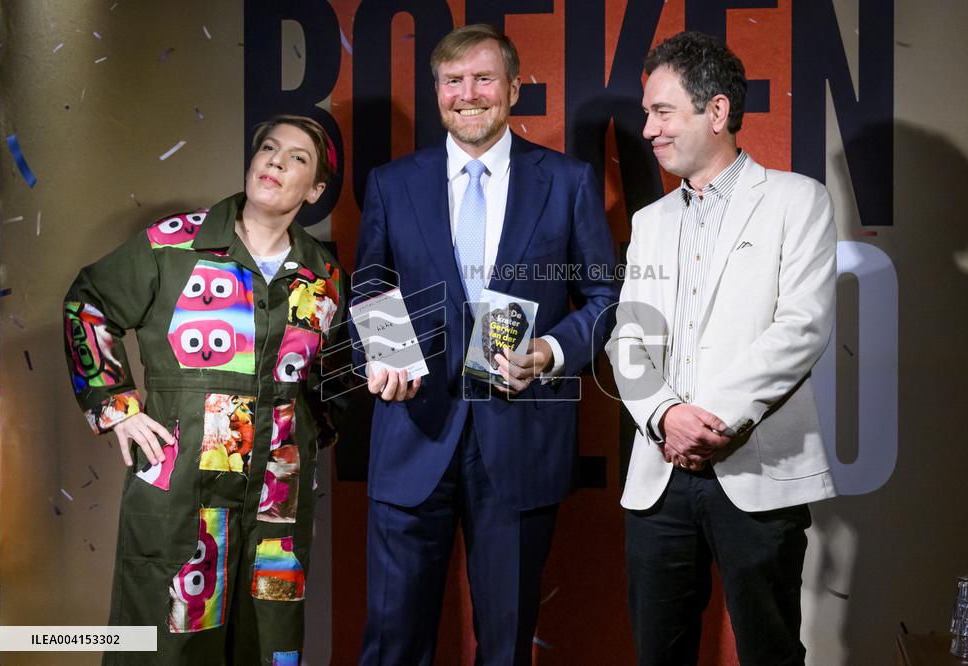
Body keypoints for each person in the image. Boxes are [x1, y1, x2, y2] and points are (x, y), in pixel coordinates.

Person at [351, 23, 618, 665]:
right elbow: (368, 288)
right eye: (452, 81)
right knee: (393, 643)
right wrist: (382, 358)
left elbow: (606, 300)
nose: (467, 94)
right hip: (412, 433)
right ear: (437, 91)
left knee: (506, 644)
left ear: (513, 88)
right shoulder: (392, 184)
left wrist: (551, 352)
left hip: (521, 443)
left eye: (483, 78)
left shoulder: (569, 182)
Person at [63, 114, 345, 665]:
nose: (275, 161)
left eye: (297, 157)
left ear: (314, 190)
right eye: (268, 148)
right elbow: (89, 302)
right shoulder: (174, 244)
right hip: (184, 489)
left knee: (268, 640)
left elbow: (324, 381)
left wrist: (309, 439)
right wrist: (116, 405)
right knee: (169, 645)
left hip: (275, 505)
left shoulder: (324, 275)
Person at [606, 31, 837, 665]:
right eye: (646, 113)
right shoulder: (650, 222)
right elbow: (629, 336)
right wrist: (665, 417)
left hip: (757, 469)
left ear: (715, 112)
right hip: (659, 474)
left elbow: (802, 326)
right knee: (661, 652)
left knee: (769, 652)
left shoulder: (797, 201)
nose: (648, 128)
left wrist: (711, 420)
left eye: (661, 111)